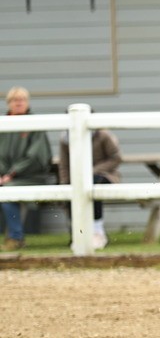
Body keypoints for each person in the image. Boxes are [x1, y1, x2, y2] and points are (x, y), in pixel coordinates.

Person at [0, 87, 53, 250]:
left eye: (22, 100)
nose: (19, 103)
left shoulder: (34, 124)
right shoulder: (3, 124)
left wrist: (12, 173)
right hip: (5, 177)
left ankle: (16, 237)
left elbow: (35, 157)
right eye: (15, 100)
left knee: (7, 193)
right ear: (9, 103)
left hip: (30, 176)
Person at [59, 122, 122, 250]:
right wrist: (65, 183)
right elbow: (64, 164)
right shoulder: (65, 139)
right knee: (72, 191)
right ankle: (77, 233)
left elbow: (115, 158)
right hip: (76, 178)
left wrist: (92, 171)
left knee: (93, 186)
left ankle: (97, 231)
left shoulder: (103, 136)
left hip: (105, 175)